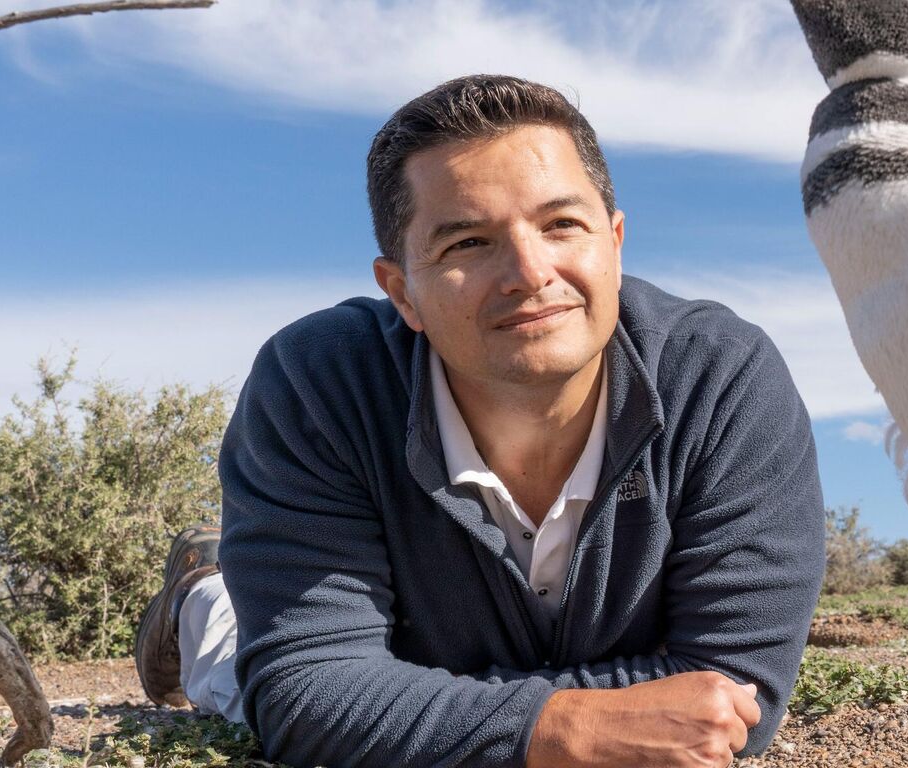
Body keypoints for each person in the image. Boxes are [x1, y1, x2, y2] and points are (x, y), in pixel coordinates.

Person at [132, 74, 826, 768]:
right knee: (236, 676)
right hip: (391, 649)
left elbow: (734, 698)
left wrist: (396, 709)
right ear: (402, 291)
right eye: (467, 243)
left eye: (562, 224)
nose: (528, 271)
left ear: (615, 244)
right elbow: (308, 695)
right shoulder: (319, 384)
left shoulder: (722, 378)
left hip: (410, 675)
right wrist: (567, 728)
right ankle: (203, 602)